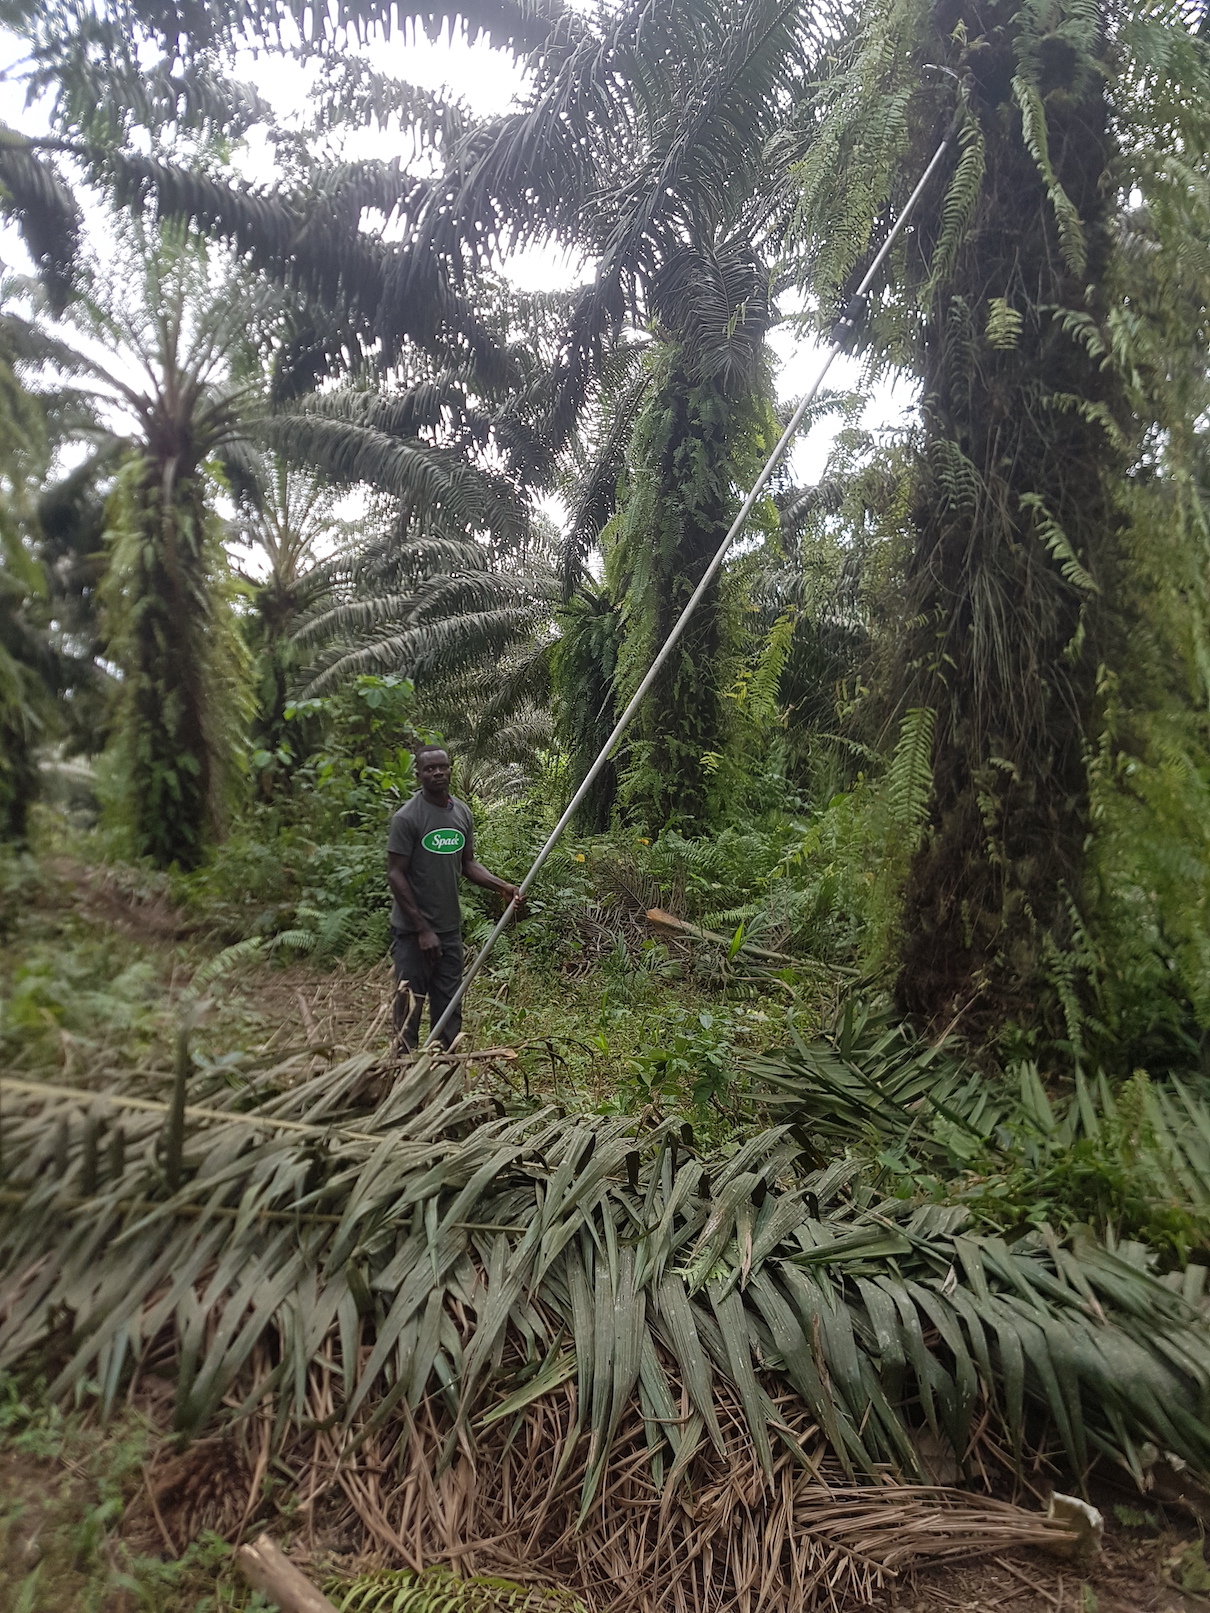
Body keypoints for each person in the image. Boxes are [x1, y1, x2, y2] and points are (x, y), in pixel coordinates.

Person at [386, 745, 521, 1050]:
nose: (437, 773)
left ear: (450, 769)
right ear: (418, 774)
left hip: (448, 930)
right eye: (429, 769)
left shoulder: (461, 812)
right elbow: (395, 874)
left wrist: (502, 886)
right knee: (408, 1006)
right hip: (412, 934)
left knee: (449, 1006)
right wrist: (422, 929)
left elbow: (468, 864)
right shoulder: (407, 818)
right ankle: (401, 1076)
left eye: (442, 767)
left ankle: (444, 1073)